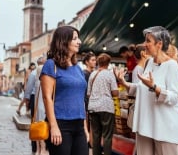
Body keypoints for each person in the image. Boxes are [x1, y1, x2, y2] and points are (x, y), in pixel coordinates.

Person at [114, 26, 178, 155]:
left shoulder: (172, 65)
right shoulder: (149, 63)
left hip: (166, 127)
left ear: (159, 44)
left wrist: (154, 87)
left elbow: (175, 97)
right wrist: (124, 83)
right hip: (146, 125)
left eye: (148, 41)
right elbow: (142, 88)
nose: (144, 44)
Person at [40, 25, 89, 155]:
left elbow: (81, 99)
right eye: (75, 39)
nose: (79, 42)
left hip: (79, 125)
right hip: (61, 124)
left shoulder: (77, 68)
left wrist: (84, 127)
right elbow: (47, 98)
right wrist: (54, 127)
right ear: (64, 41)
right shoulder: (51, 65)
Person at [87, 53, 119, 155]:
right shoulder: (110, 74)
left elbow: (88, 94)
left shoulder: (92, 74)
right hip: (106, 107)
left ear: (98, 62)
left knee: (96, 135)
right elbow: (115, 93)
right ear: (108, 63)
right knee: (107, 136)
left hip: (93, 107)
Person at [34, 56, 48, 155]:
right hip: (42, 107)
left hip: (38, 108)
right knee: (43, 127)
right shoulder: (44, 82)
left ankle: (39, 150)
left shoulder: (37, 83)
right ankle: (42, 149)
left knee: (38, 127)